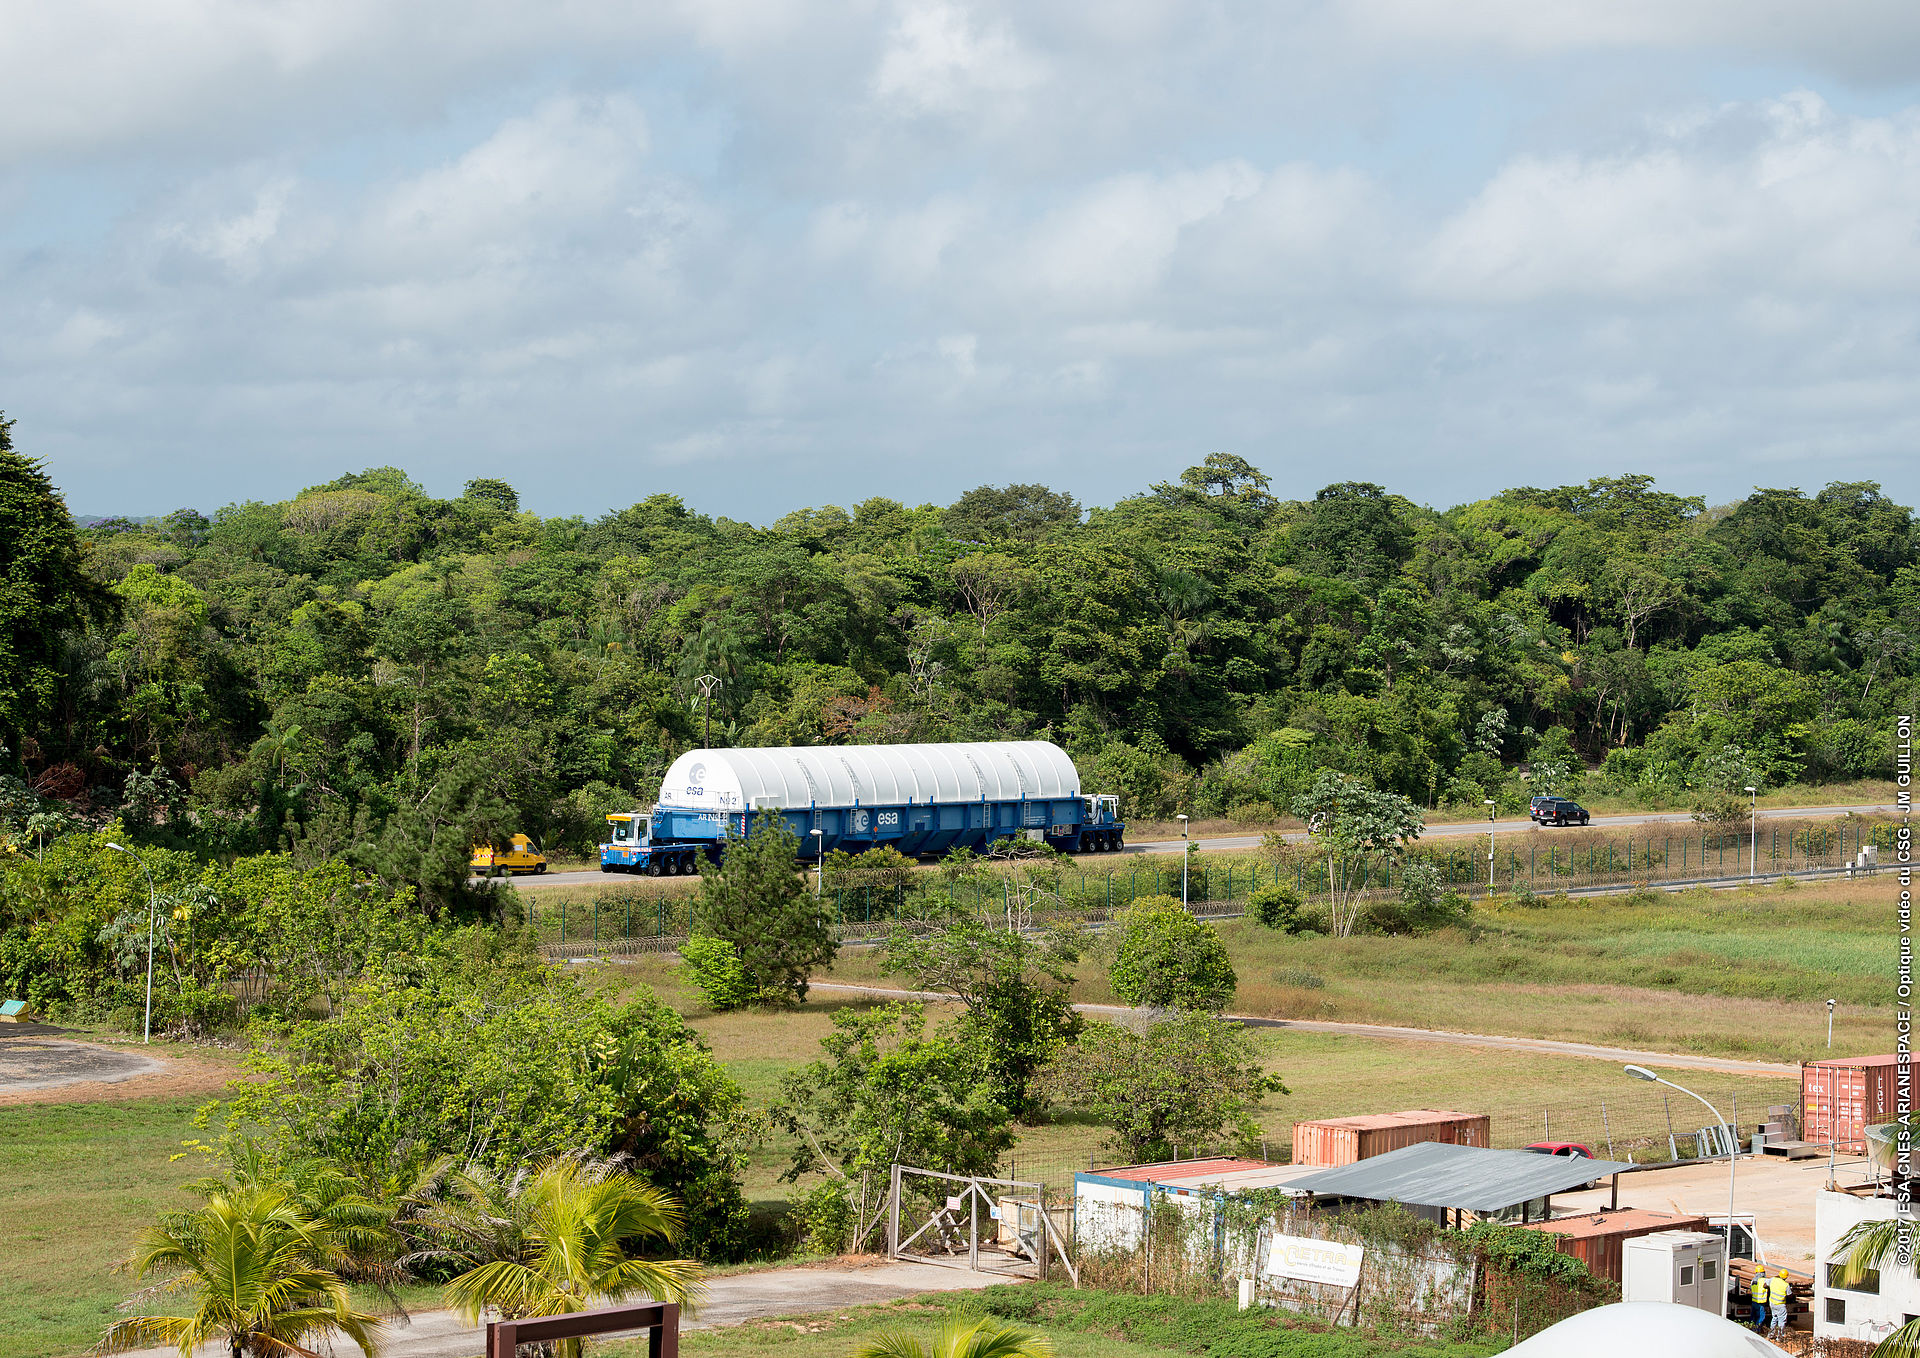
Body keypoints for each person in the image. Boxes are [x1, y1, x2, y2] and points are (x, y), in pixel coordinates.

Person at [1767, 1268, 1792, 1335]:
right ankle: (1780, 1336)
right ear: (1786, 1277)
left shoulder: (1773, 1280)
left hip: (1772, 1303)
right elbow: (1790, 1295)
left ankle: (1771, 1334)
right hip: (1780, 1305)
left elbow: (1765, 1285)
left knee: (1774, 1318)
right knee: (1782, 1321)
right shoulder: (1786, 1285)